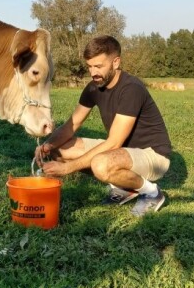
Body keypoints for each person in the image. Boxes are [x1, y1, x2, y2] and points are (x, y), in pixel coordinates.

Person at [34, 35, 172, 217]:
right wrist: (48, 146)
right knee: (60, 148)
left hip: (153, 155)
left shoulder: (131, 89)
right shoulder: (94, 87)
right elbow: (72, 124)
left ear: (116, 62)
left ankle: (151, 192)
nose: (93, 73)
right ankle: (124, 188)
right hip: (124, 150)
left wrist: (68, 168)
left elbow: (114, 142)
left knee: (100, 164)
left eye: (99, 66)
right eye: (89, 66)